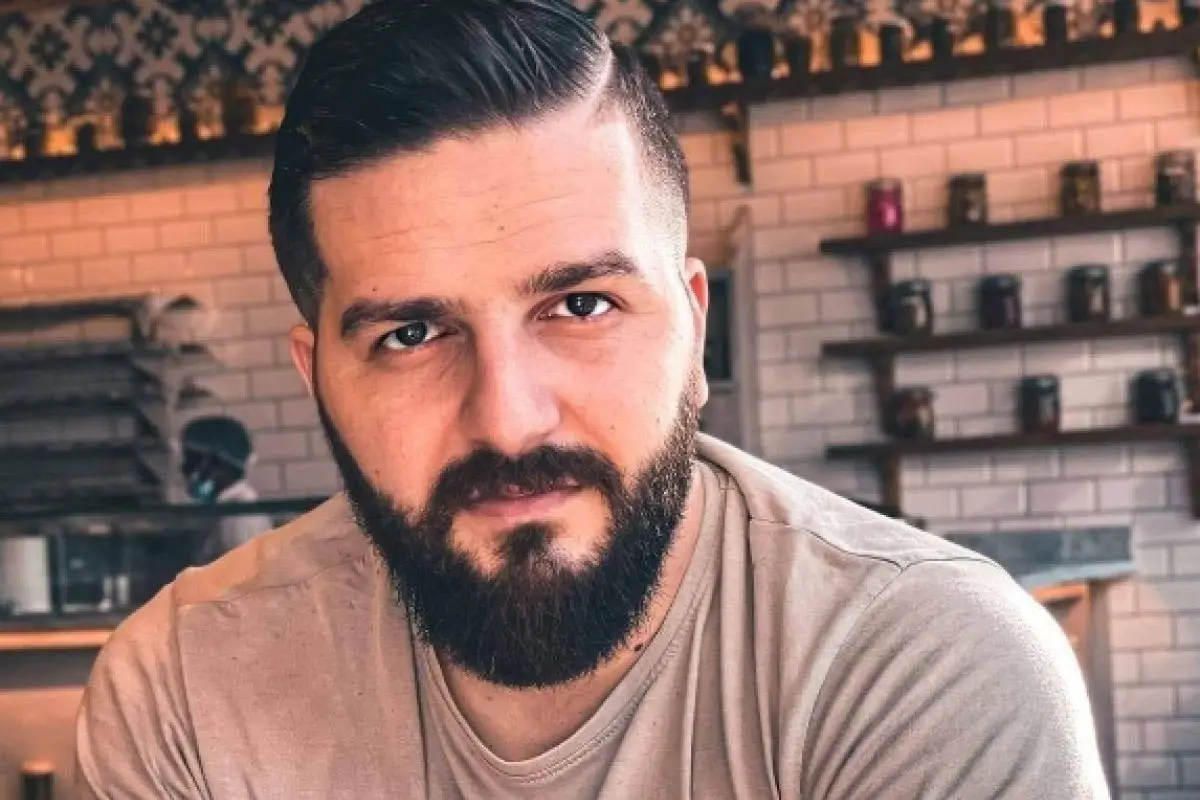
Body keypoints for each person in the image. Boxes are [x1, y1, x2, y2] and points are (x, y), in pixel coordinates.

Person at [75, 2, 1110, 797]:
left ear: (691, 330)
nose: (508, 417)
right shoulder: (187, 691)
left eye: (581, 304)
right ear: (318, 381)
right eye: (411, 334)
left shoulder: (919, 664)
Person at [179, 415, 274, 562]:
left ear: (217, 462)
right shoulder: (226, 510)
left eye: (191, 459)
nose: (184, 469)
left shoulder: (240, 517)